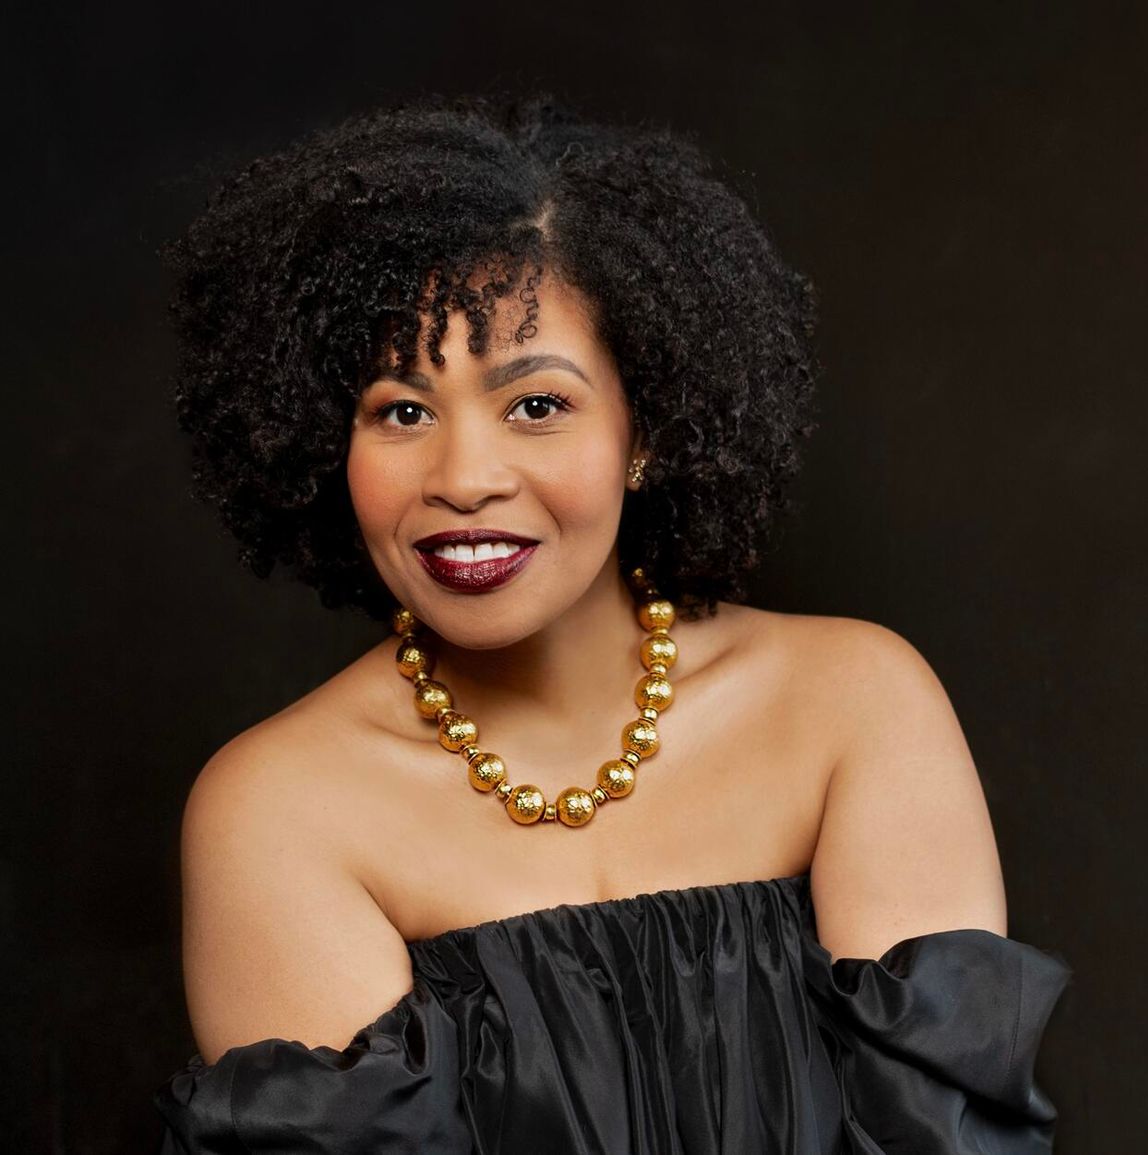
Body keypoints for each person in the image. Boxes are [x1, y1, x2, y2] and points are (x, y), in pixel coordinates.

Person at [153, 92, 1071, 1153]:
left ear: (647, 431)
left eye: (536, 405)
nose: (463, 478)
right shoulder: (280, 812)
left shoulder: (853, 706)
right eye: (401, 410)